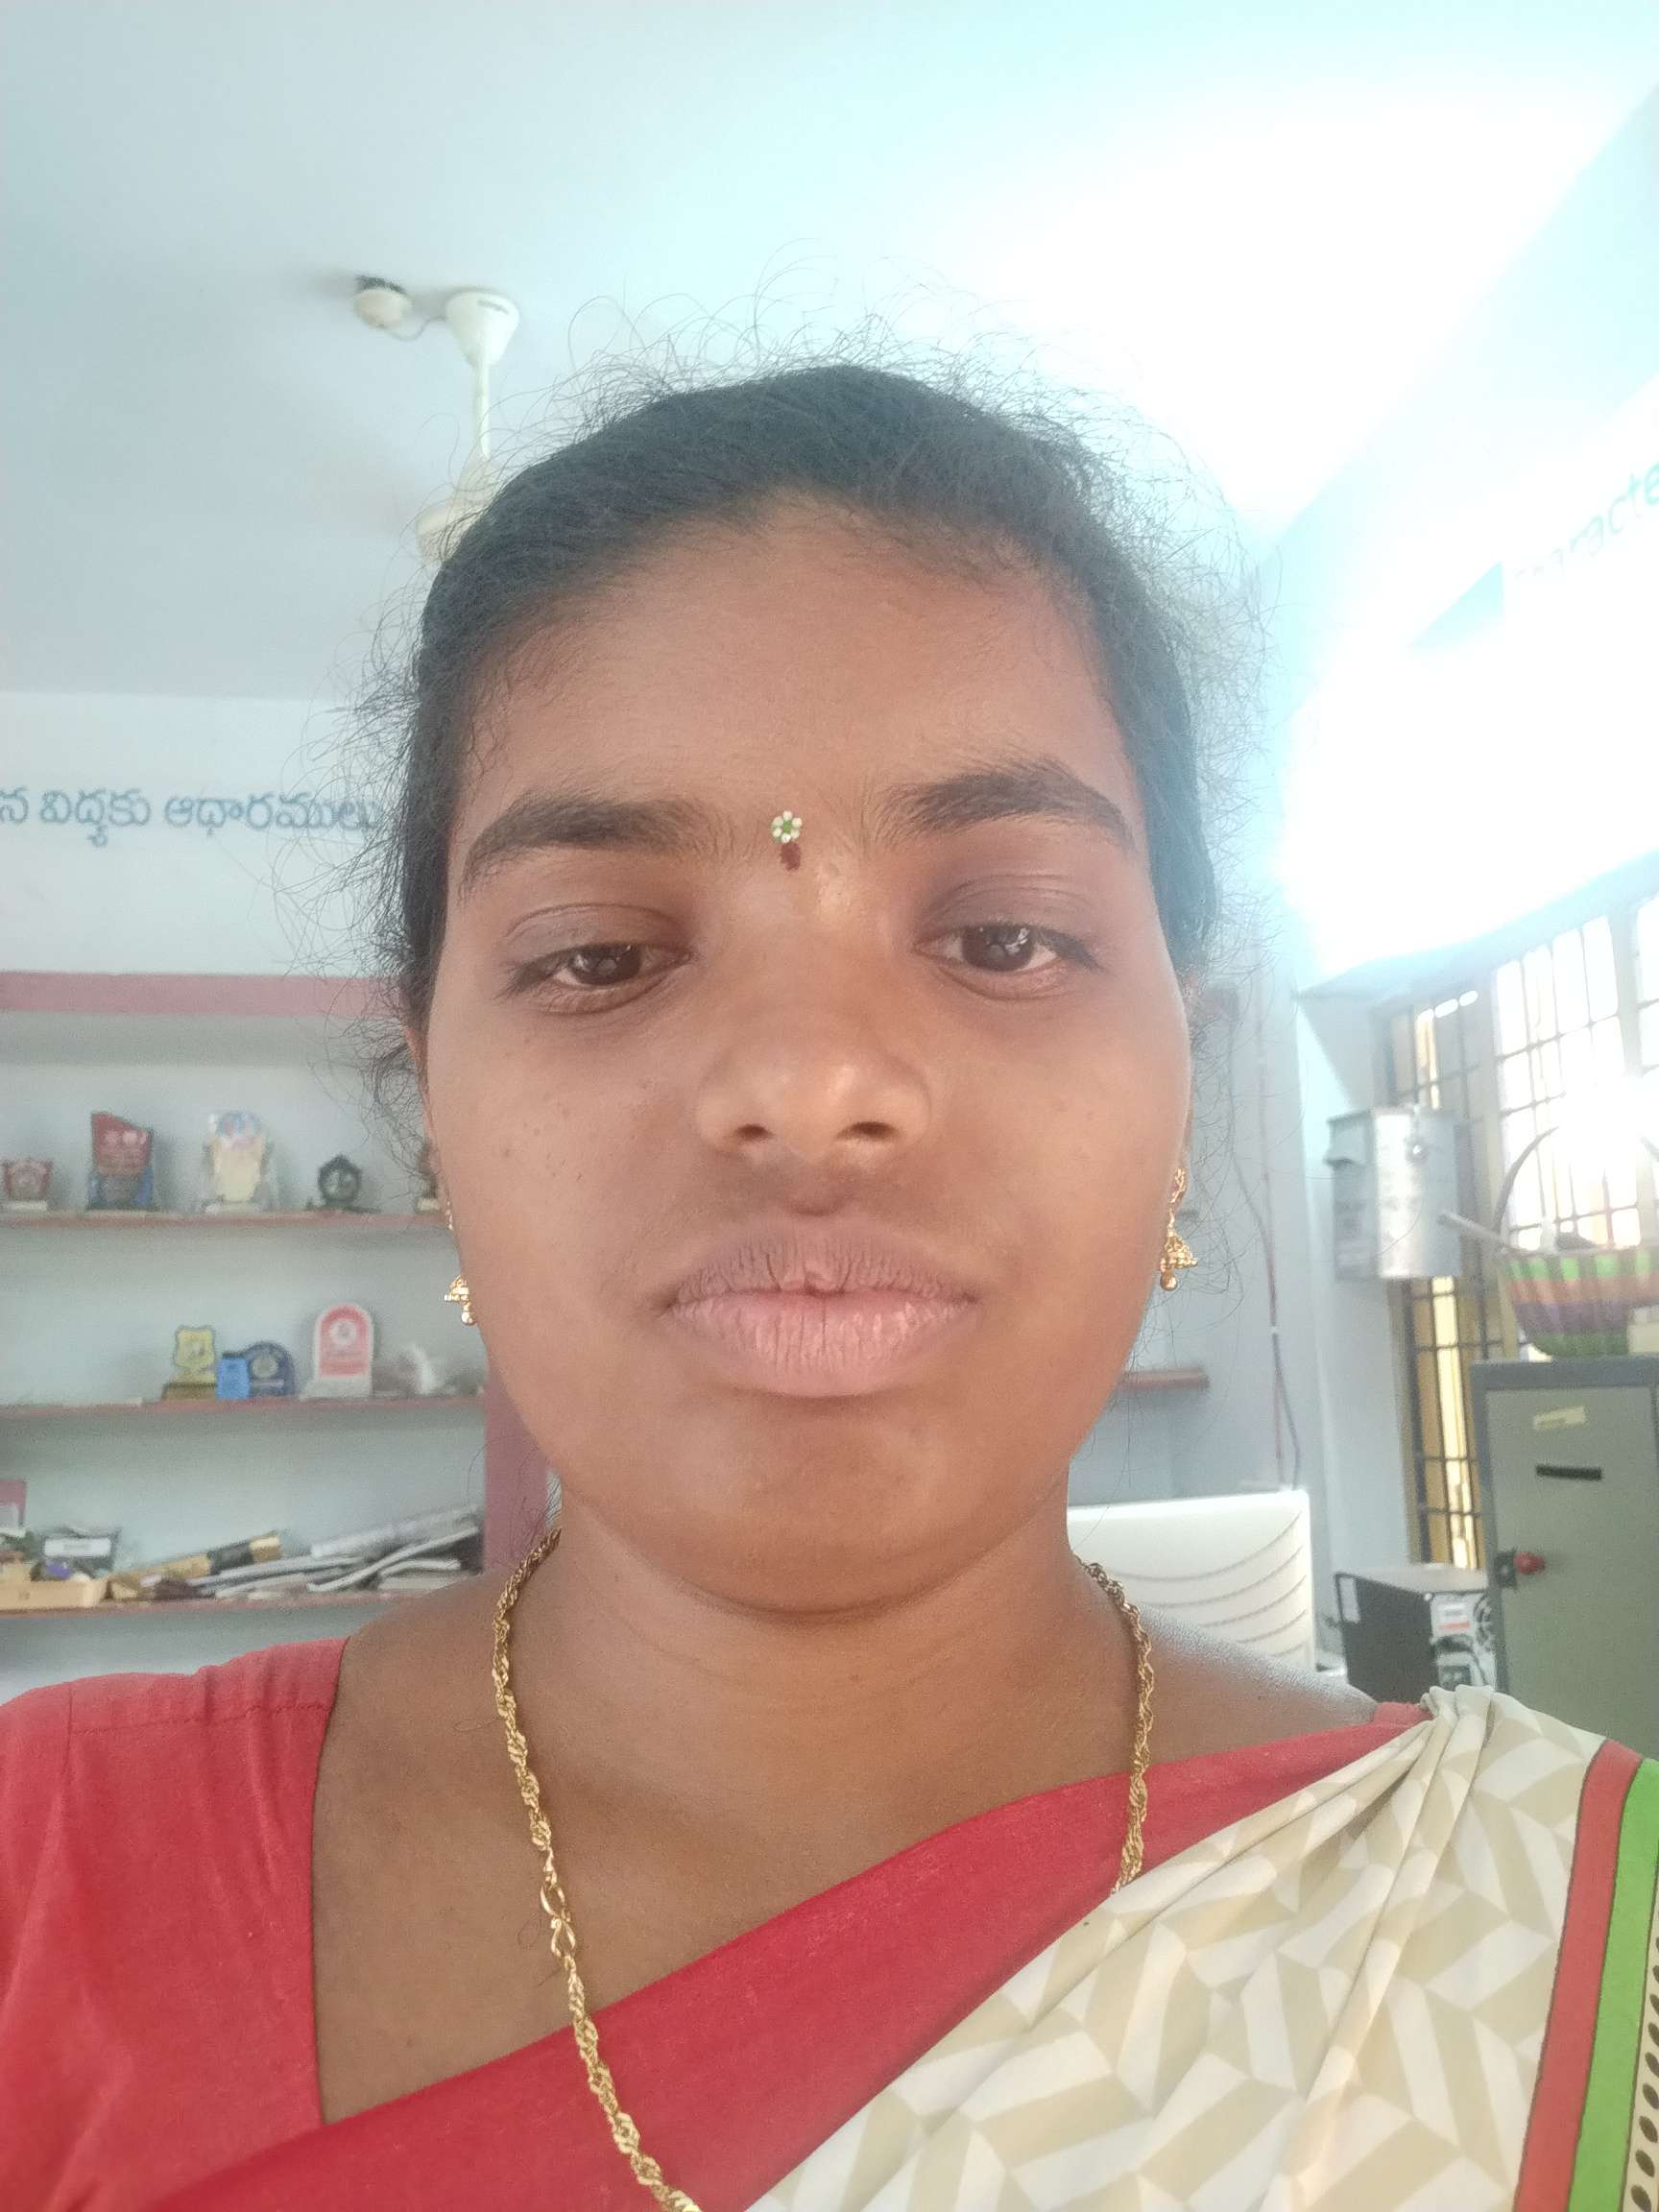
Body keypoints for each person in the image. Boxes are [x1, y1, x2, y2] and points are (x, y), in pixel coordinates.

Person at [5, 357, 1656, 2212]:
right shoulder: (45, 1882)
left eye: (1005, 935)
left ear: (1183, 1081)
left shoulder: (1557, 1940)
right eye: (602, 955)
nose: (807, 1084)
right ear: (432, 1103)